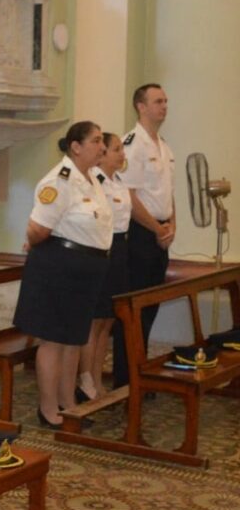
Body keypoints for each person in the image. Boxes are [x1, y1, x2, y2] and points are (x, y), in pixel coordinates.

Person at [13, 122, 112, 426]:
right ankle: (47, 409)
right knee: (54, 341)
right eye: (96, 141)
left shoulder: (93, 178)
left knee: (73, 340)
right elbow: (38, 228)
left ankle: (68, 403)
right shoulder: (59, 180)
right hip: (58, 267)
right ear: (76, 147)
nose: (102, 147)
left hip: (85, 270)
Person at [114, 83, 175, 386]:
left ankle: (140, 372)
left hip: (160, 234)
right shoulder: (132, 144)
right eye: (158, 101)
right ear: (141, 106)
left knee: (150, 307)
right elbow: (128, 196)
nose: (164, 106)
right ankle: (127, 380)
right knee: (134, 311)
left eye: (165, 101)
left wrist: (171, 225)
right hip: (139, 235)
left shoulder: (162, 144)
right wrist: (157, 227)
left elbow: (167, 193)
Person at [78, 132, 131, 401]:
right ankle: (86, 380)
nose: (122, 154)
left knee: (107, 321)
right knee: (94, 321)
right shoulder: (94, 182)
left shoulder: (119, 181)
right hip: (103, 249)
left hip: (120, 249)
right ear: (103, 154)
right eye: (117, 149)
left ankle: (97, 379)